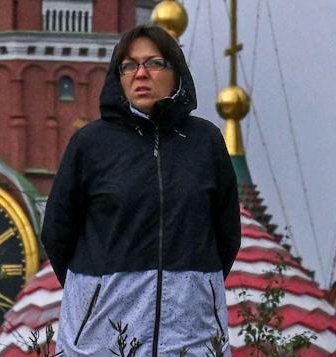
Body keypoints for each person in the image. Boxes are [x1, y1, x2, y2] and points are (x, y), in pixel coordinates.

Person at [40, 24, 240, 357]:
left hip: (192, 332)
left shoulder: (205, 143)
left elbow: (226, 233)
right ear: (117, 76)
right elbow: (58, 233)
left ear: (176, 73)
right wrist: (97, 292)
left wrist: (194, 288)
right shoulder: (90, 145)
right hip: (102, 336)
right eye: (130, 65)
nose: (141, 73)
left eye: (154, 63)